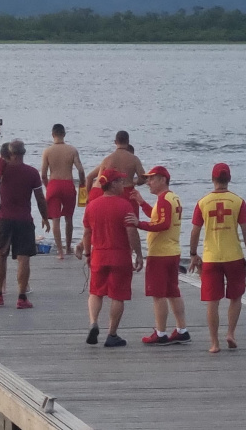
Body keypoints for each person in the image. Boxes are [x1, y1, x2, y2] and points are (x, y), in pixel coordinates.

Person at [188, 162, 246, 353]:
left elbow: (194, 231)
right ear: (229, 179)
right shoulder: (238, 201)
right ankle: (231, 333)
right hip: (234, 256)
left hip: (211, 258)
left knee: (213, 301)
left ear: (212, 179)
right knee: (235, 297)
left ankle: (214, 343)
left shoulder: (202, 202)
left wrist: (193, 254)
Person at [0, 124, 49, 309]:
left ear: (10, 153)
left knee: (1, 255)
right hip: (24, 219)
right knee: (24, 258)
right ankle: (22, 297)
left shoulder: (2, 168)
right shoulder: (32, 173)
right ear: (23, 153)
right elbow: (40, 199)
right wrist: (45, 218)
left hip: (5, 218)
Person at [82, 169, 143, 347]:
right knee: (118, 295)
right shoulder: (124, 205)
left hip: (99, 254)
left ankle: (93, 322)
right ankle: (112, 334)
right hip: (119, 255)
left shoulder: (92, 206)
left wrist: (87, 253)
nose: (123, 185)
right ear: (113, 184)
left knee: (95, 292)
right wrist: (138, 254)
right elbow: (131, 231)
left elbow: (87, 232)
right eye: (120, 182)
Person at [133, 166, 190, 345]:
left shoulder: (164, 199)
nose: (148, 182)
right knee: (173, 292)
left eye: (152, 179)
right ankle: (182, 329)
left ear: (163, 180)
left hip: (161, 253)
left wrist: (139, 224)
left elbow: (163, 224)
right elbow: (157, 216)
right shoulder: (172, 198)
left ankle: (161, 332)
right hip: (172, 251)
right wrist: (142, 203)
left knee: (158, 294)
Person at [41, 123, 86, 259]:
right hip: (68, 184)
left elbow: (43, 174)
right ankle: (68, 249)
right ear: (64, 134)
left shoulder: (47, 151)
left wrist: (48, 186)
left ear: (53, 135)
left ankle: (60, 252)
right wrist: (82, 184)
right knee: (69, 218)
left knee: (55, 220)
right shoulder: (72, 150)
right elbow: (81, 170)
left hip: (53, 184)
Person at [91, 131, 147, 214]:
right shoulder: (134, 159)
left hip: (112, 193)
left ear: (115, 142)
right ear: (128, 142)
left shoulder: (107, 160)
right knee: (131, 222)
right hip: (129, 193)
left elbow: (101, 181)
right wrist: (135, 182)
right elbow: (143, 178)